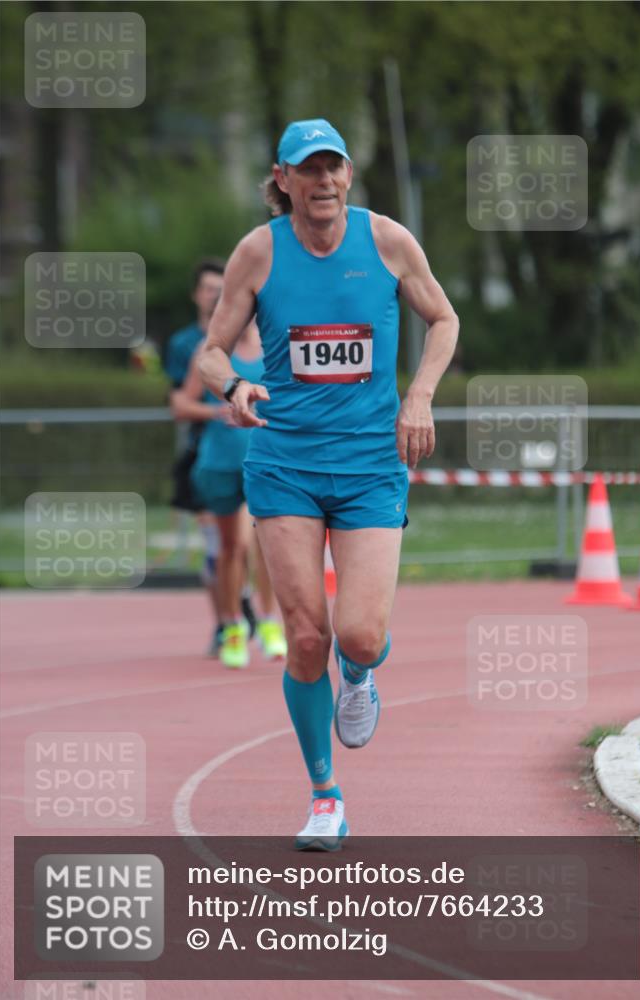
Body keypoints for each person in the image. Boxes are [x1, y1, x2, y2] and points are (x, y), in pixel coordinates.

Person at [199, 118, 459, 849]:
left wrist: (419, 396)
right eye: (306, 171)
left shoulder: (386, 241)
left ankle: (363, 671)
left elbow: (442, 318)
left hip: (371, 464)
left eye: (333, 168)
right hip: (284, 464)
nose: (322, 183)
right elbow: (215, 353)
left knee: (360, 636)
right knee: (305, 637)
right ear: (281, 180)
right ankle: (324, 796)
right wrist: (236, 389)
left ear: (348, 175)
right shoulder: (258, 251)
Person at [174, 321, 287, 668]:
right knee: (231, 547)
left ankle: (268, 621)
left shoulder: (275, 348)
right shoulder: (211, 355)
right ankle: (233, 625)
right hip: (221, 462)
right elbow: (181, 403)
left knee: (267, 544)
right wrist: (215, 410)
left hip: (267, 459)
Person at [164, 259, 256, 654]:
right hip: (207, 453)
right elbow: (178, 401)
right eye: (208, 289)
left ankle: (247, 610)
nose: (216, 295)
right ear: (196, 294)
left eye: (222, 288)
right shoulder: (188, 344)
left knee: (249, 544)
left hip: (253, 454)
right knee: (220, 546)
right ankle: (227, 621)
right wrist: (215, 411)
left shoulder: (256, 336)